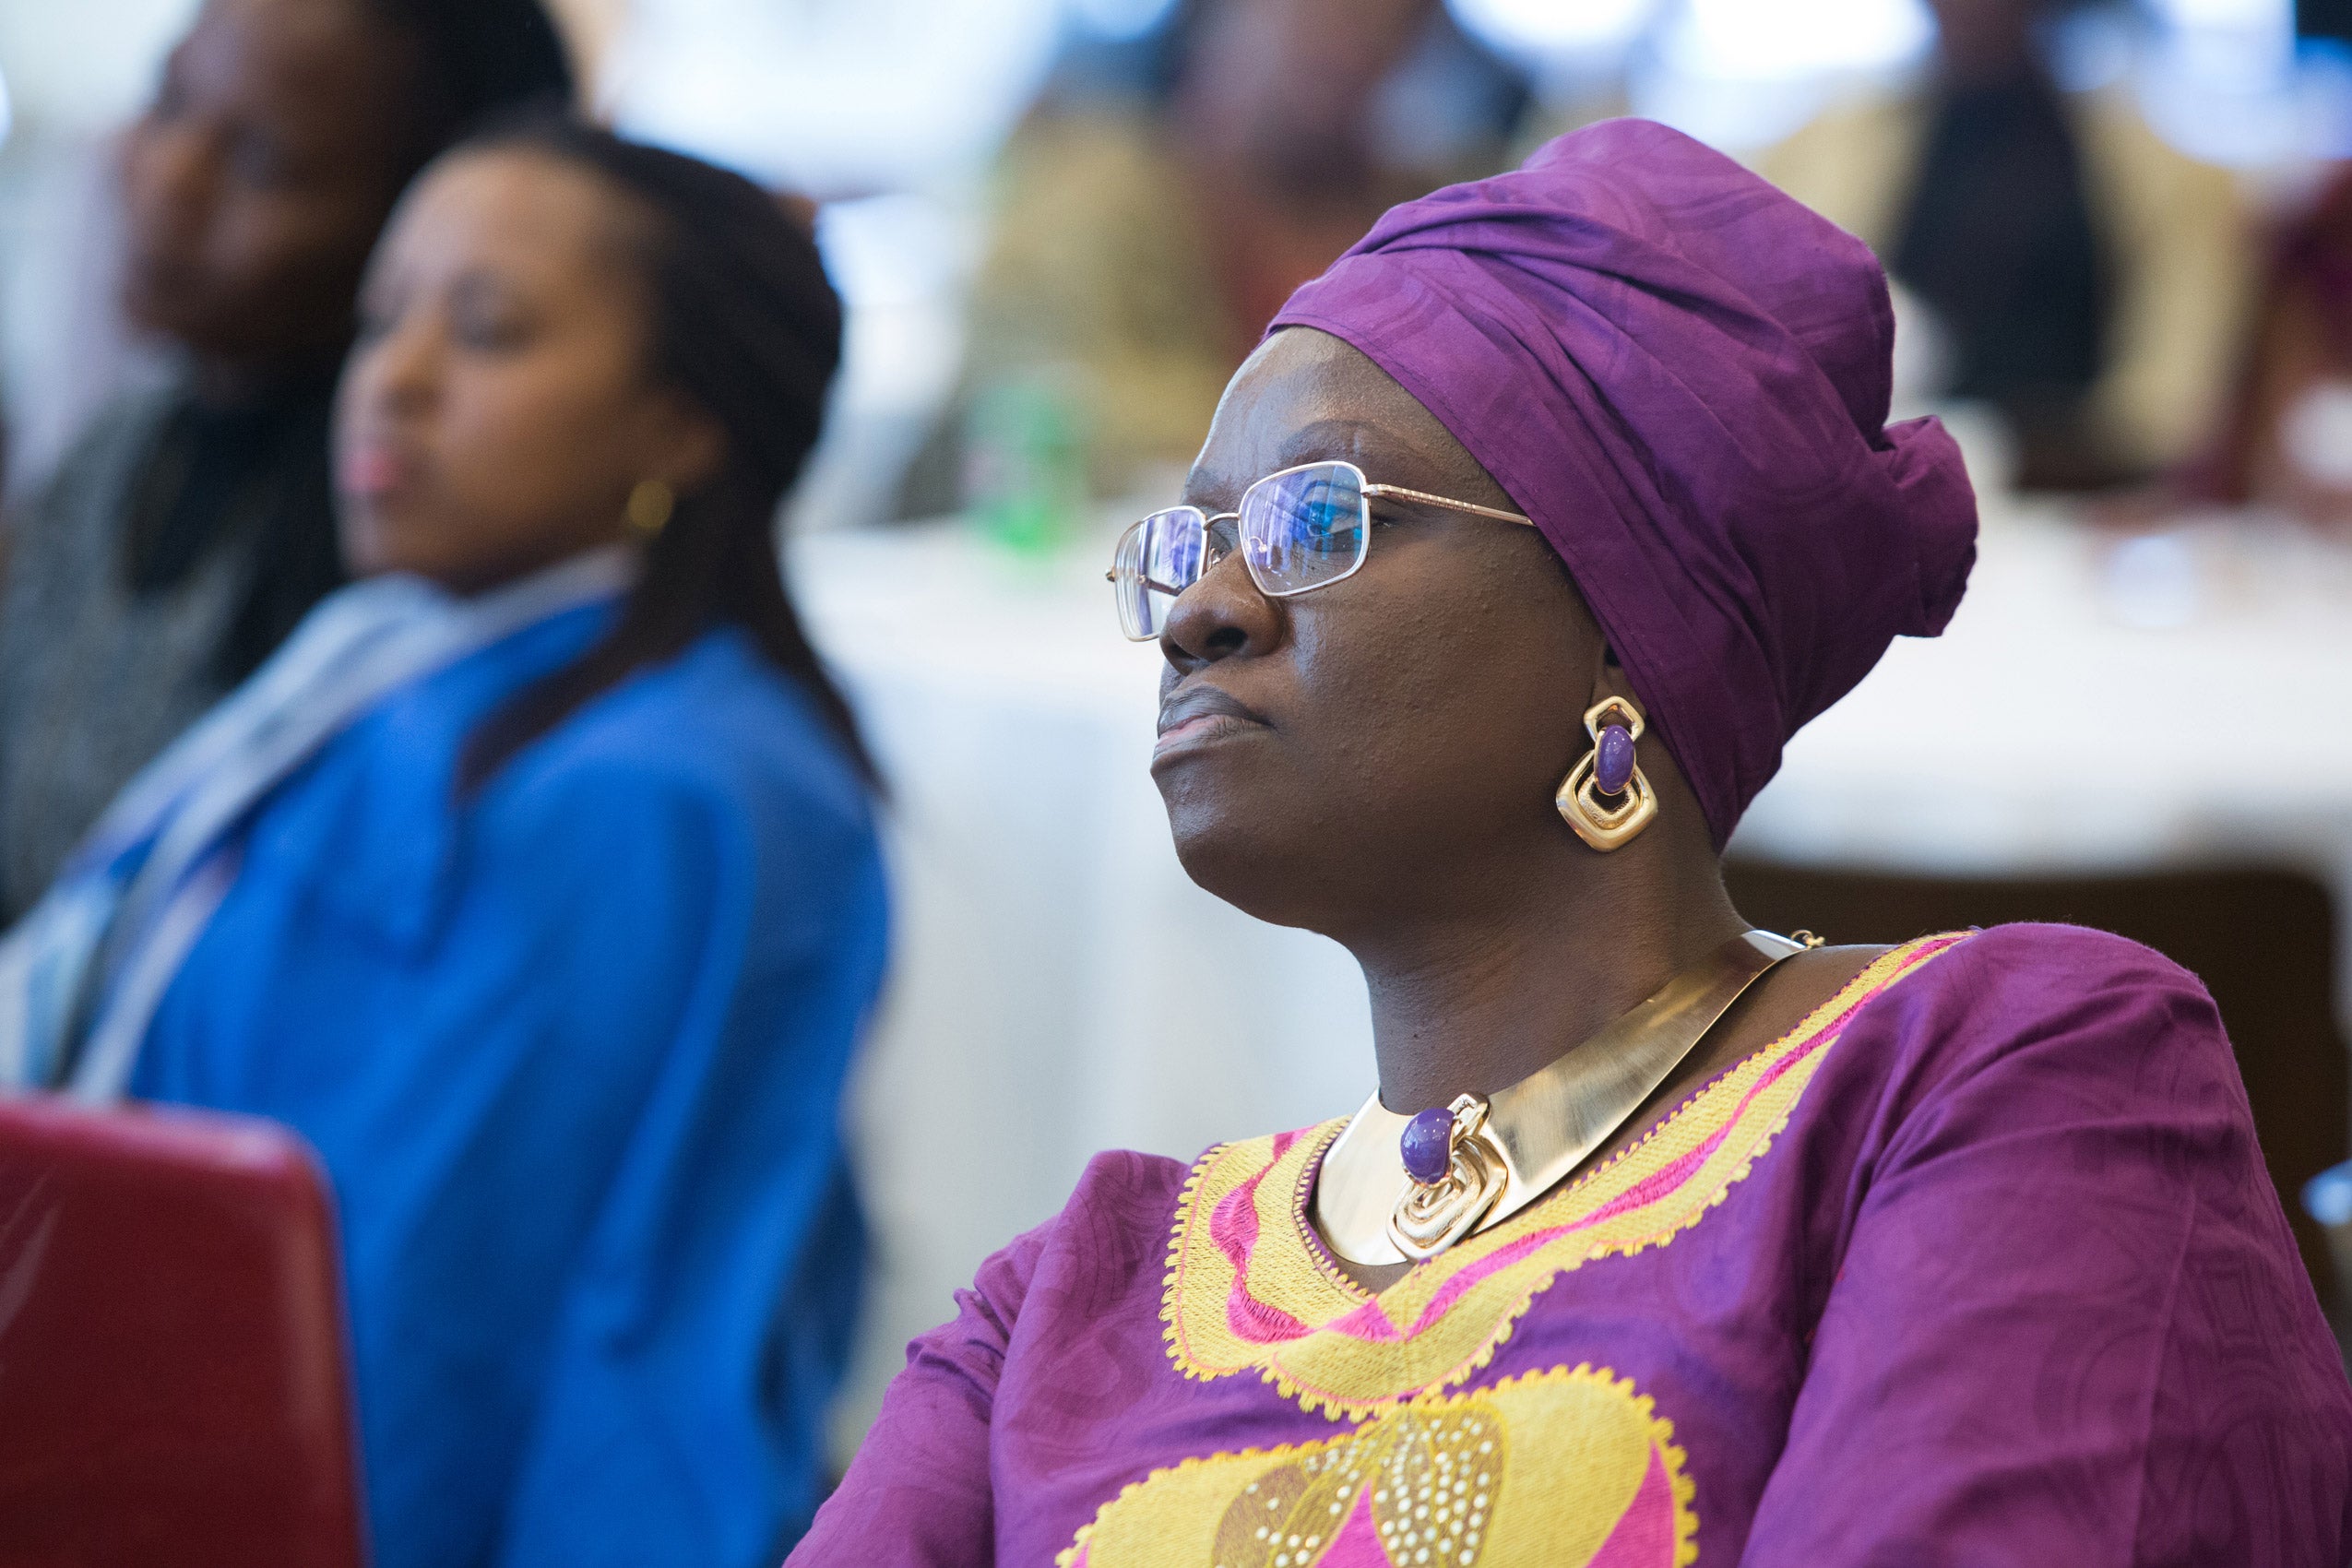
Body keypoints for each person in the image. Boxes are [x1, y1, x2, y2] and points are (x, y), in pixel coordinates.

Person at [795, 119, 2351, 1565]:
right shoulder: (1072, 1297)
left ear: (1624, 623)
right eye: (1186, 545)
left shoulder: (1987, 1085)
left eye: (1314, 520)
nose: (1199, 611)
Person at [0, 122, 885, 1568]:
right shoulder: (385, 666)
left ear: (682, 421)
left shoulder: (674, 791)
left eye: (485, 331)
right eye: (382, 316)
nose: (393, 380)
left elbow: (433, 1322)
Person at [0, 0, 574, 919]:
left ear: (420, 214)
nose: (167, 179)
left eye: (262, 162)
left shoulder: (406, 534)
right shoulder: (128, 445)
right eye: (169, 104)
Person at [908, 0, 1526, 514]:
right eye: (1321, 16)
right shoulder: (1091, 191)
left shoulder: (1426, 214)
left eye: (1383, 22)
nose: (1350, 47)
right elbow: (1045, 405)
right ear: (1217, 19)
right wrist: (1339, 438)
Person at [1758, 0, 2247, 492]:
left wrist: (2000, 454)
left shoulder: (2159, 172)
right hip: (1873, 493)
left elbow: (2169, 406)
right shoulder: (1826, 145)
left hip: (2072, 504)